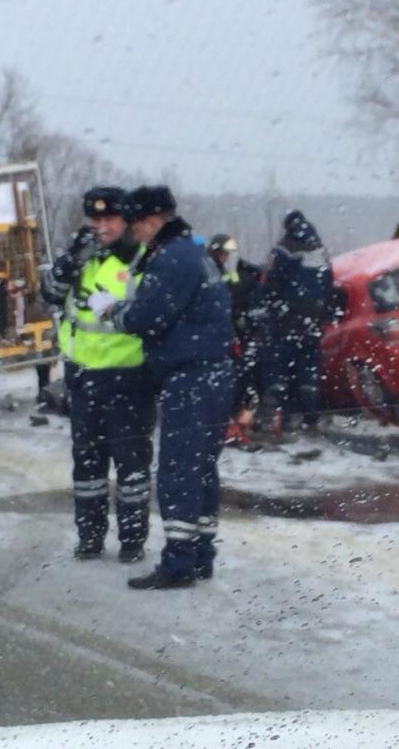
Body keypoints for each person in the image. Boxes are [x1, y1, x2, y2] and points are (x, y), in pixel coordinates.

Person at [101, 186, 234, 589]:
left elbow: (148, 316)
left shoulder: (171, 259)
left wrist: (117, 313)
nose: (135, 233)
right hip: (212, 374)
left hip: (191, 378)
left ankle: (179, 563)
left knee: (179, 470)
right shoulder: (193, 253)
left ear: (153, 220)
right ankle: (200, 554)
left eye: (137, 225)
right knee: (202, 469)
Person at [42, 186, 155, 562]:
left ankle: (132, 541)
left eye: (109, 219)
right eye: (95, 219)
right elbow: (51, 295)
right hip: (83, 377)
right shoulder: (83, 257)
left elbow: (154, 317)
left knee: (131, 466)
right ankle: (90, 537)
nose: (101, 226)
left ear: (126, 221)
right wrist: (69, 262)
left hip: (128, 378)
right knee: (87, 466)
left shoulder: (141, 259)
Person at [260, 209, 333, 432]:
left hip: (287, 322)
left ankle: (280, 419)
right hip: (313, 323)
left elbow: (270, 284)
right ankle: (310, 418)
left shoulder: (283, 249)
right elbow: (330, 283)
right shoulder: (320, 250)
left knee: (280, 371)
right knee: (309, 372)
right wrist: (321, 315)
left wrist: (275, 308)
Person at [208, 234, 264, 444]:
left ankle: (234, 424)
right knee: (232, 382)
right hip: (221, 337)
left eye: (226, 254)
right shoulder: (210, 272)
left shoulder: (228, 274)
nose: (224, 257)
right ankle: (228, 426)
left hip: (232, 336)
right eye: (221, 253)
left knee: (241, 380)